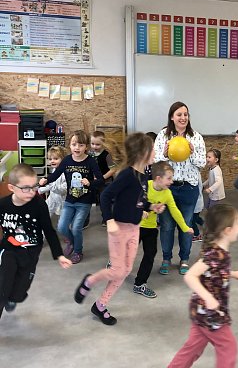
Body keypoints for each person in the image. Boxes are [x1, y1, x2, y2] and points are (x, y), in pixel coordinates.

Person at [73, 132, 164, 325]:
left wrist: (151, 207)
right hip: (119, 229)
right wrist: (109, 220)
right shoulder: (127, 175)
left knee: (126, 269)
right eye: (153, 149)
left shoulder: (143, 175)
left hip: (134, 228)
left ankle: (100, 305)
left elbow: (139, 200)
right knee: (116, 271)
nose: (156, 152)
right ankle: (89, 281)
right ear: (143, 152)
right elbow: (106, 195)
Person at [168, 204, 238, 368]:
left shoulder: (219, 252)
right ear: (227, 230)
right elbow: (190, 276)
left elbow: (216, 270)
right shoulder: (215, 254)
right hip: (210, 314)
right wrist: (209, 298)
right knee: (228, 348)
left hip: (200, 312)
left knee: (192, 349)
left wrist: (232, 273)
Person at [0, 164, 71, 318]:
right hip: (9, 250)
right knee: (3, 283)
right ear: (12, 188)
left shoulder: (38, 204)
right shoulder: (3, 205)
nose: (32, 191)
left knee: (21, 288)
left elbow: (49, 231)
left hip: (31, 252)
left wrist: (59, 255)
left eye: (34, 186)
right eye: (26, 188)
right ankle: (4, 297)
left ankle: (13, 297)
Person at [154, 101, 206, 275]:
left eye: (185, 114)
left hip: (188, 188)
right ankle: (166, 259)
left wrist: (192, 153)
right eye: (179, 114)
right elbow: (155, 162)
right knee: (167, 225)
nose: (183, 118)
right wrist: (164, 154)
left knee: (186, 225)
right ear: (172, 117)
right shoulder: (163, 135)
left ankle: (184, 259)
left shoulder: (196, 137)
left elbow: (202, 163)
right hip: (167, 189)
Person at [39, 130, 104, 264]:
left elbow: (101, 180)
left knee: (76, 228)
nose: (77, 148)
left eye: (81, 145)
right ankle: (73, 243)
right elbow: (55, 175)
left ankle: (78, 251)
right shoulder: (67, 160)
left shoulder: (91, 161)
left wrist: (90, 182)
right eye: (74, 144)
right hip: (70, 200)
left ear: (86, 147)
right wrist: (46, 180)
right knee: (62, 227)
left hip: (85, 201)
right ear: (70, 145)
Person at [133, 161, 194, 297]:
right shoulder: (144, 186)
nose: (172, 181)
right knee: (128, 253)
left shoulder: (167, 193)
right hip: (135, 227)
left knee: (150, 254)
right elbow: (131, 202)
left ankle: (140, 284)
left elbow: (175, 211)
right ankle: (115, 263)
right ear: (158, 178)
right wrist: (140, 211)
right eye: (169, 178)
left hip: (151, 228)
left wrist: (185, 227)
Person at [38, 146, 67, 219]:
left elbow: (63, 190)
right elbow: (52, 184)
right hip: (52, 198)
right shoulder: (54, 170)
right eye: (50, 159)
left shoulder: (66, 173)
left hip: (62, 201)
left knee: (64, 219)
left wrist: (49, 188)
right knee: (44, 214)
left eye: (56, 159)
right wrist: (42, 189)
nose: (52, 161)